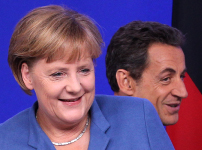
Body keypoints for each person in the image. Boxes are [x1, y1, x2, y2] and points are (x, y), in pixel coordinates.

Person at [0, 5, 174, 150]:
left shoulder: (139, 117)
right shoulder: (5, 142)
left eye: (84, 70)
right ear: (27, 75)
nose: (75, 87)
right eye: (58, 74)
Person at [106, 20, 188, 126]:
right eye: (166, 79)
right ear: (126, 82)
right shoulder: (93, 141)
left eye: (181, 77)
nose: (183, 92)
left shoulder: (155, 140)